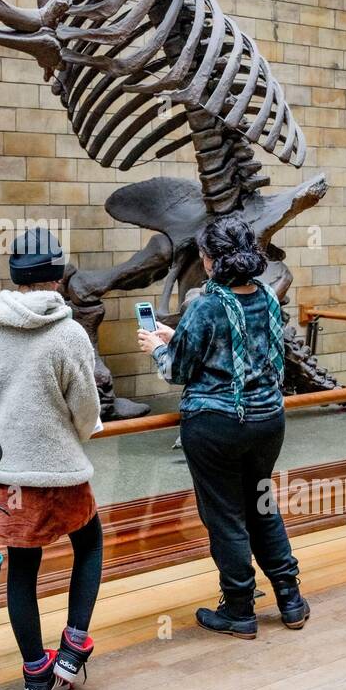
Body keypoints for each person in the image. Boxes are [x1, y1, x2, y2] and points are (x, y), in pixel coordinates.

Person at [137, 214, 309, 638]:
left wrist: (156, 348)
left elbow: (178, 369)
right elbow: (247, 348)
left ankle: (239, 608)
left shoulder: (208, 304)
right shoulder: (268, 295)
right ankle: (290, 599)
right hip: (268, 421)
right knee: (261, 504)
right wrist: (173, 335)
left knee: (227, 516)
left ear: (211, 261)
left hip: (217, 425)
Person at [0, 228, 104, 690]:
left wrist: (8, 427)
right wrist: (72, 433)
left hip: (5, 475)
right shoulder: (68, 332)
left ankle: (35, 675)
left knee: (22, 567)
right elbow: (86, 407)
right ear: (57, 278)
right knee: (90, 543)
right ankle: (73, 647)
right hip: (61, 472)